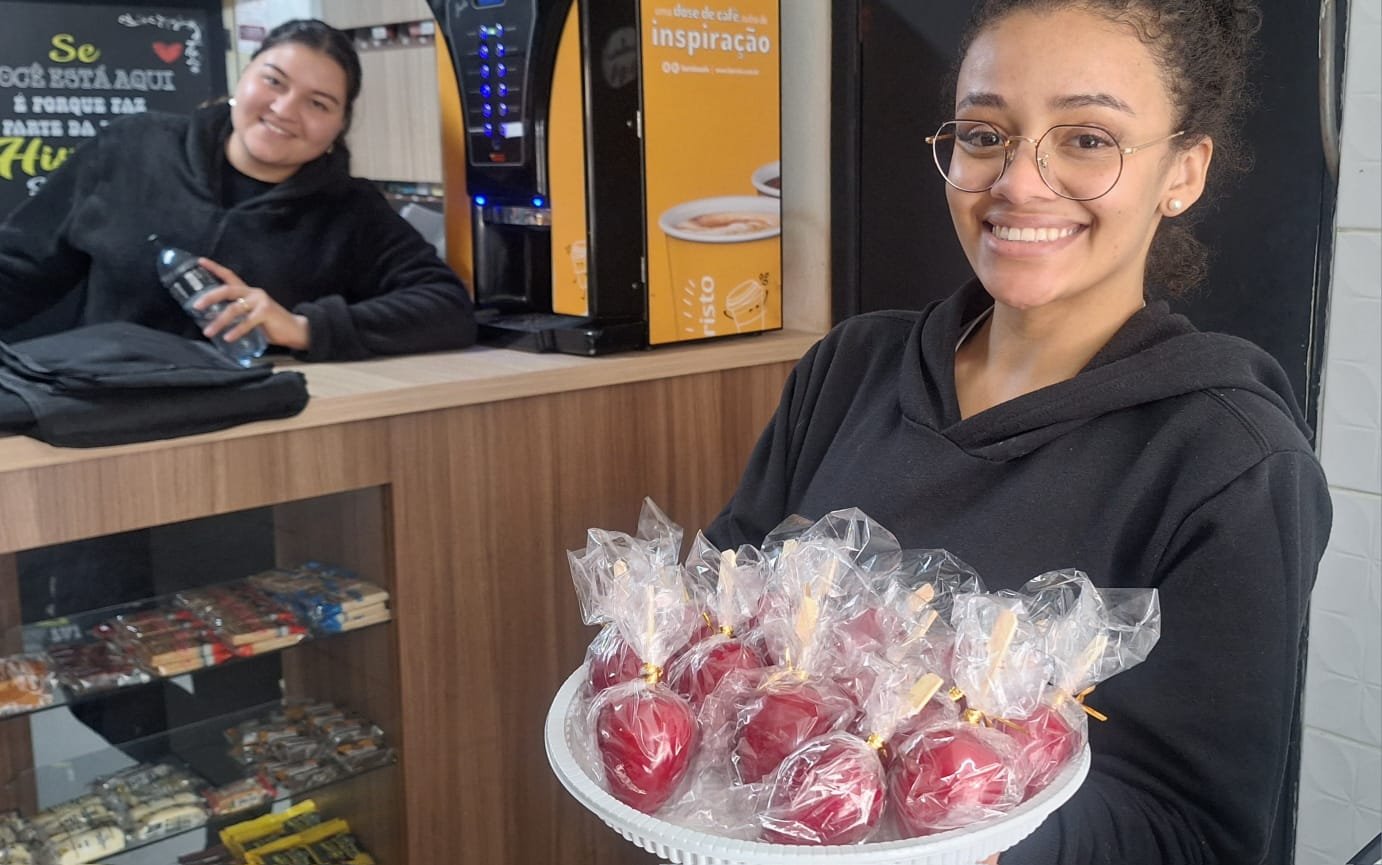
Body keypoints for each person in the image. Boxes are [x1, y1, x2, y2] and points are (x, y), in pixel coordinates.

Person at [704, 2, 1331, 863]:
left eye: (1087, 139)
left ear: (1183, 171)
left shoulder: (1231, 465)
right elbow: (721, 608)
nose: (1020, 182)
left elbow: (1194, 835)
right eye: (985, 133)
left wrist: (943, 815)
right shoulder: (851, 366)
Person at [0, 18, 476, 361]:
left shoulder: (350, 210)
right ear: (241, 78)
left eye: (318, 102)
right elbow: (19, 268)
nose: (286, 109)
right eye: (274, 81)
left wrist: (304, 328)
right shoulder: (131, 147)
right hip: (105, 408)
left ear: (339, 127)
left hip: (254, 427)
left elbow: (446, 307)